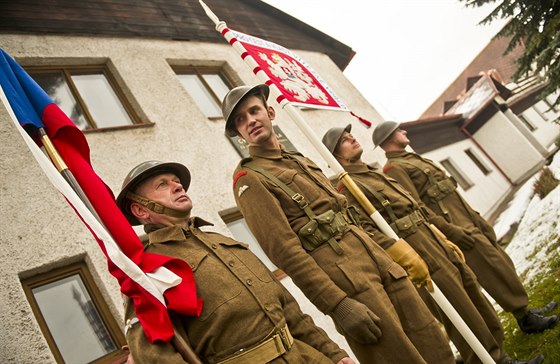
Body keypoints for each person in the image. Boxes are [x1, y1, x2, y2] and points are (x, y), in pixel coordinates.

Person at [223, 84, 456, 364]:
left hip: (376, 259)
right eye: (240, 120)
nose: (250, 121)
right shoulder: (250, 178)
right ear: (238, 133)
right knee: (397, 356)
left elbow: (345, 212)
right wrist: (337, 304)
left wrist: (387, 253)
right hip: (346, 278)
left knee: (430, 336)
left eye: (254, 111)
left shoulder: (299, 160)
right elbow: (285, 251)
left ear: (270, 111)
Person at [322, 124, 546, 364]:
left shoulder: (371, 173)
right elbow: (366, 231)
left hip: (431, 239)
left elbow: (416, 208)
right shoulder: (347, 187)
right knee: (460, 310)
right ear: (335, 156)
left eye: (350, 135)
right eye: (344, 140)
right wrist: (400, 253)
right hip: (417, 250)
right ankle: (489, 360)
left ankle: (499, 353)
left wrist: (443, 237)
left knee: (473, 295)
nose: (352, 138)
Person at [116, 160, 355, 364]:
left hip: (306, 356)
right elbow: (155, 355)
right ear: (141, 210)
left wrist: (333, 354)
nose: (177, 186)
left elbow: (290, 310)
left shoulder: (220, 241)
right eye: (162, 185)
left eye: (176, 180)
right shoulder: (147, 268)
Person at [373, 120, 559, 335]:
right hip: (455, 226)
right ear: (388, 139)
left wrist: (475, 218)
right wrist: (450, 231)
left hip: (466, 217)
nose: (404, 131)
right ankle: (525, 317)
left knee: (501, 262)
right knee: (493, 268)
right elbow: (417, 207)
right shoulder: (395, 168)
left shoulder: (411, 159)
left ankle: (525, 312)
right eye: (398, 131)